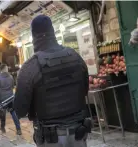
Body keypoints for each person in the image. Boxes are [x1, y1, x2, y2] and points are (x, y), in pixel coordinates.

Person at [14, 15, 90, 147]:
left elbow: (20, 111)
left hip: (51, 139)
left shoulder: (30, 67)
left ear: (33, 36)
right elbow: (84, 90)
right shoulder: (75, 56)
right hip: (78, 133)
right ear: (53, 32)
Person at [0, 64, 22, 135]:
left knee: (2, 113)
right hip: (10, 97)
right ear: (5, 69)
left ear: (1, 69)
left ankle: (3, 127)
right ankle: (18, 129)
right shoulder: (10, 76)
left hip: (2, 98)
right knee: (13, 113)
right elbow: (13, 86)